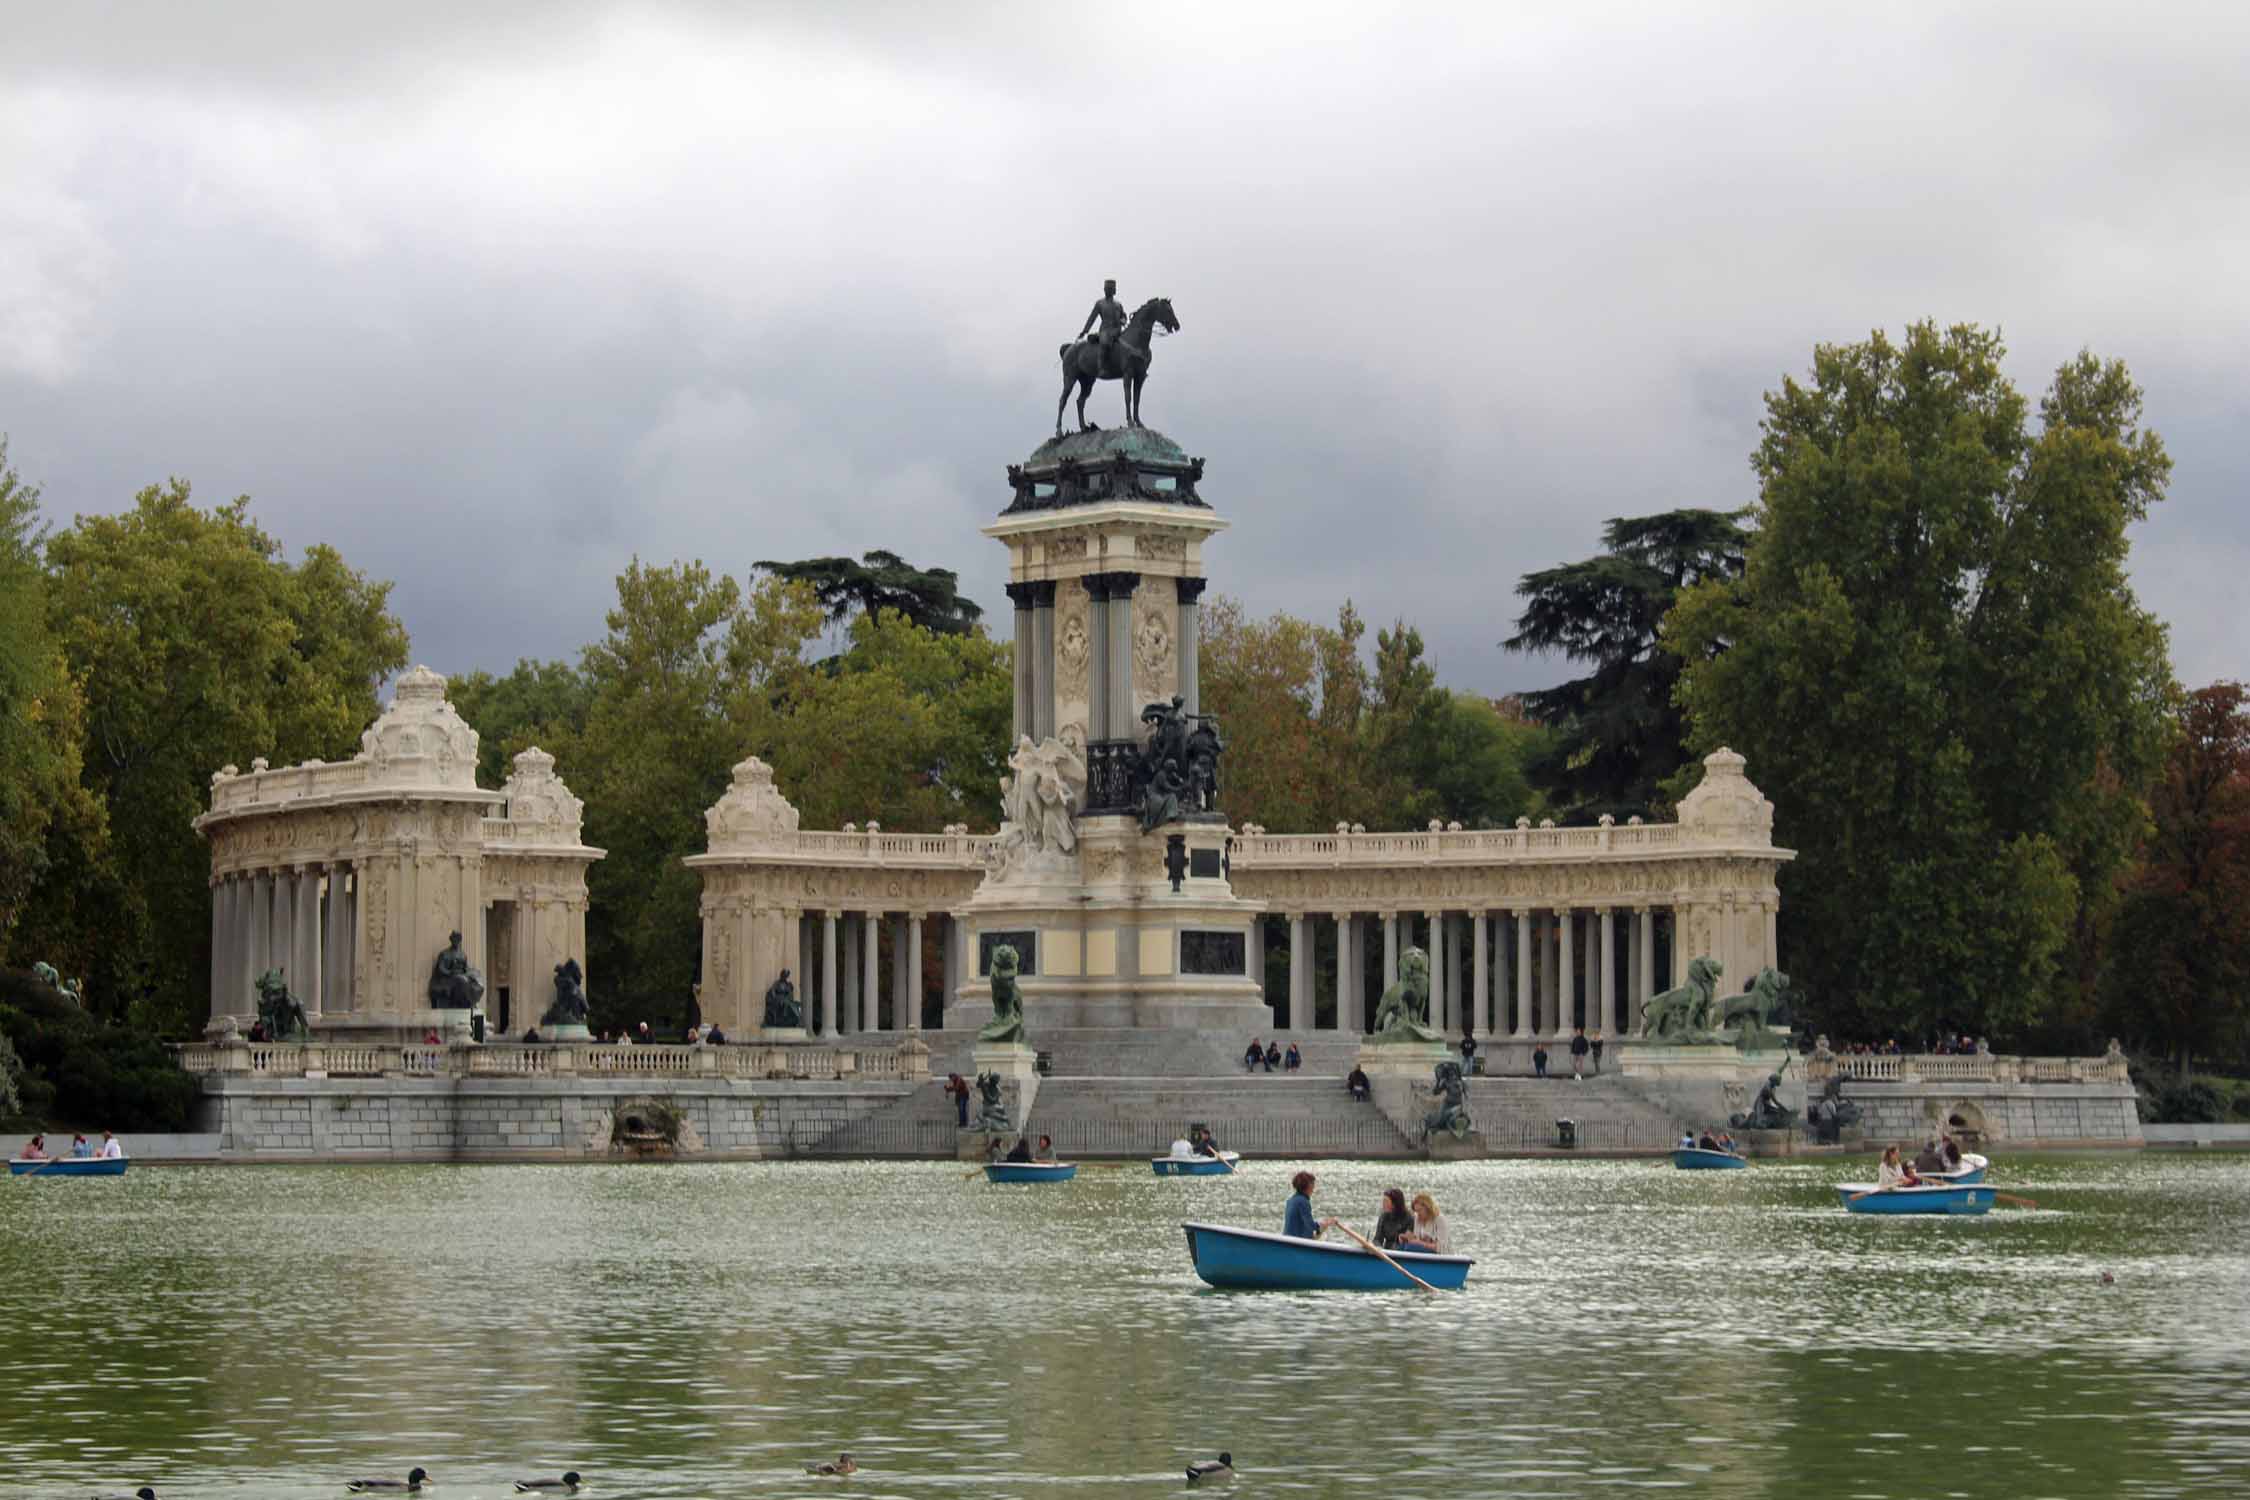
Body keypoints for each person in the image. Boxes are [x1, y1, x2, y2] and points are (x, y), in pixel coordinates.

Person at [1284, 1170, 1322, 1238]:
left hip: (1286, 1239)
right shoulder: (1303, 1201)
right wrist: (1322, 1224)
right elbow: (1311, 1226)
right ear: (1308, 1186)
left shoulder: (1290, 1200)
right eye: (1313, 1184)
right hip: (1295, 1242)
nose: (1313, 1188)